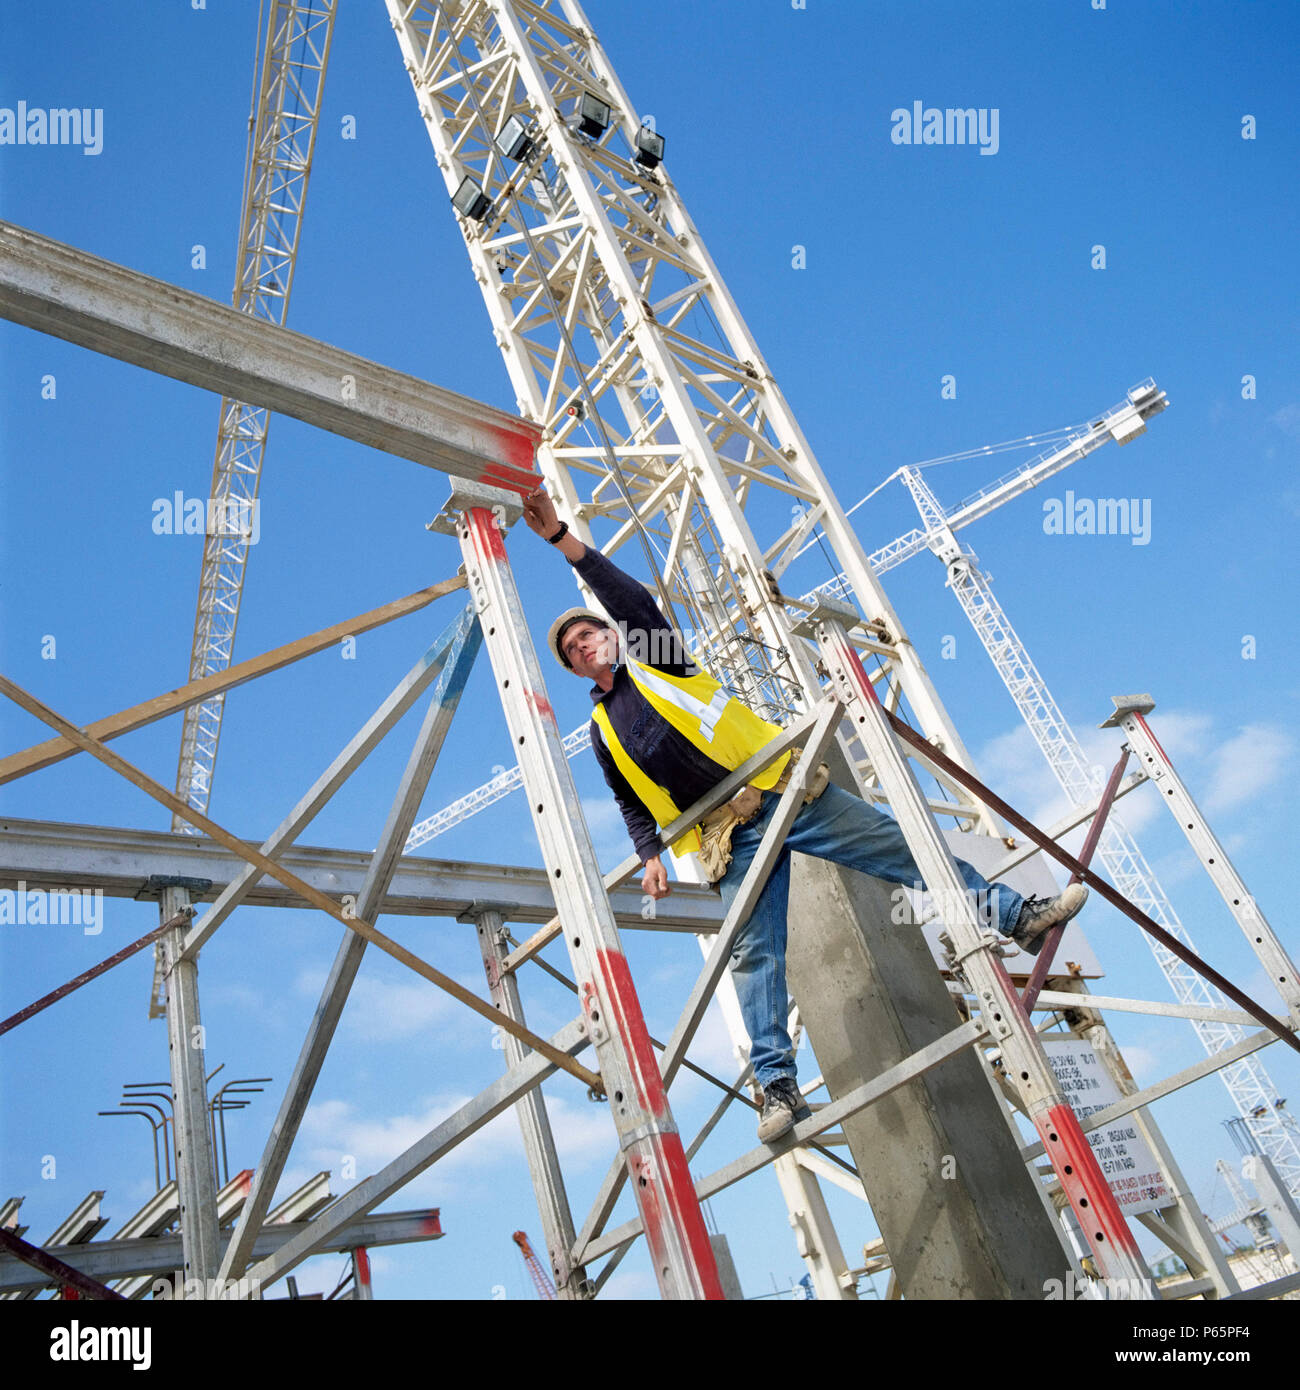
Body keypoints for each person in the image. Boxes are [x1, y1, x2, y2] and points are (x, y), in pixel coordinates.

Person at [522, 486, 1087, 1142]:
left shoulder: (659, 662)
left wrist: (564, 539)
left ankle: (1018, 917)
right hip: (725, 835)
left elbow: (635, 602)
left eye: (591, 632)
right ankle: (777, 1088)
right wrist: (649, 855)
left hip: (784, 792)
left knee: (905, 850)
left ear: (612, 638)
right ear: (571, 669)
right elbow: (629, 798)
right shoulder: (601, 728)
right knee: (755, 952)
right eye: (573, 648)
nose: (586, 644)